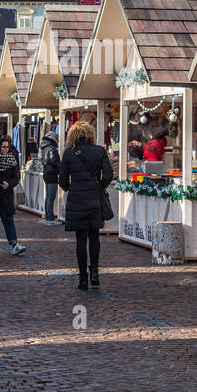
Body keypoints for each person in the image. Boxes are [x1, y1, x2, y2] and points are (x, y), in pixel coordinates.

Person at [59, 121, 114, 290]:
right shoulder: (99, 151)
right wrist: (100, 185)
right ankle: (95, 272)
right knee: (94, 237)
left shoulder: (69, 153)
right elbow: (108, 174)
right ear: (90, 134)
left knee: (80, 240)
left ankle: (83, 277)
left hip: (76, 199)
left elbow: (62, 179)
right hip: (94, 199)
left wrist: (70, 188)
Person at [0, 136, 26, 255]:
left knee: (9, 219)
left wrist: (10, 184)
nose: (6, 149)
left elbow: (16, 177)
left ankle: (14, 243)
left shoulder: (12, 160)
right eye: (3, 147)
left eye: (7, 147)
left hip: (7, 194)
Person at [40, 132, 62, 225]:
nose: (58, 140)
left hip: (47, 173)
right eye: (57, 138)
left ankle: (49, 217)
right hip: (52, 174)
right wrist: (61, 168)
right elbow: (54, 161)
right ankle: (50, 218)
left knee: (48, 197)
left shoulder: (45, 147)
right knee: (51, 197)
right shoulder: (52, 148)